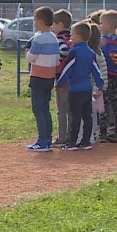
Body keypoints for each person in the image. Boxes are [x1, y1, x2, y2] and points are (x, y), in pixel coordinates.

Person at [57, 21, 104, 150]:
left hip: (76, 89)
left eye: (72, 35)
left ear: (78, 36)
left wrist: (59, 82)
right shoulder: (90, 52)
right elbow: (96, 70)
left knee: (75, 116)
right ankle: (86, 141)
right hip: (87, 88)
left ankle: (72, 142)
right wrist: (100, 85)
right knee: (87, 115)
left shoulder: (74, 52)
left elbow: (67, 69)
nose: (70, 37)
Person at [25, 6, 58, 152]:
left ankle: (42, 140)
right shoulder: (53, 38)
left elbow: (30, 57)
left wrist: (28, 49)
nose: (34, 23)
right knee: (45, 109)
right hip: (49, 77)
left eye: (35, 20)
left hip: (38, 77)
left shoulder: (39, 38)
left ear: (41, 21)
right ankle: (47, 139)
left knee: (38, 109)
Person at [99, 10, 117, 143]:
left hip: (106, 75)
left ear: (109, 24)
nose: (100, 26)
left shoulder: (103, 41)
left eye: (102, 23)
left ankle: (103, 132)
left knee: (104, 102)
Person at [51, 9, 72, 147]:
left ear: (60, 24)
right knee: (71, 109)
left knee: (62, 110)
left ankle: (63, 137)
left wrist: (56, 60)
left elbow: (63, 51)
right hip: (73, 77)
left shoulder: (59, 39)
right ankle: (71, 134)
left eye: (53, 24)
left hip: (62, 78)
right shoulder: (73, 37)